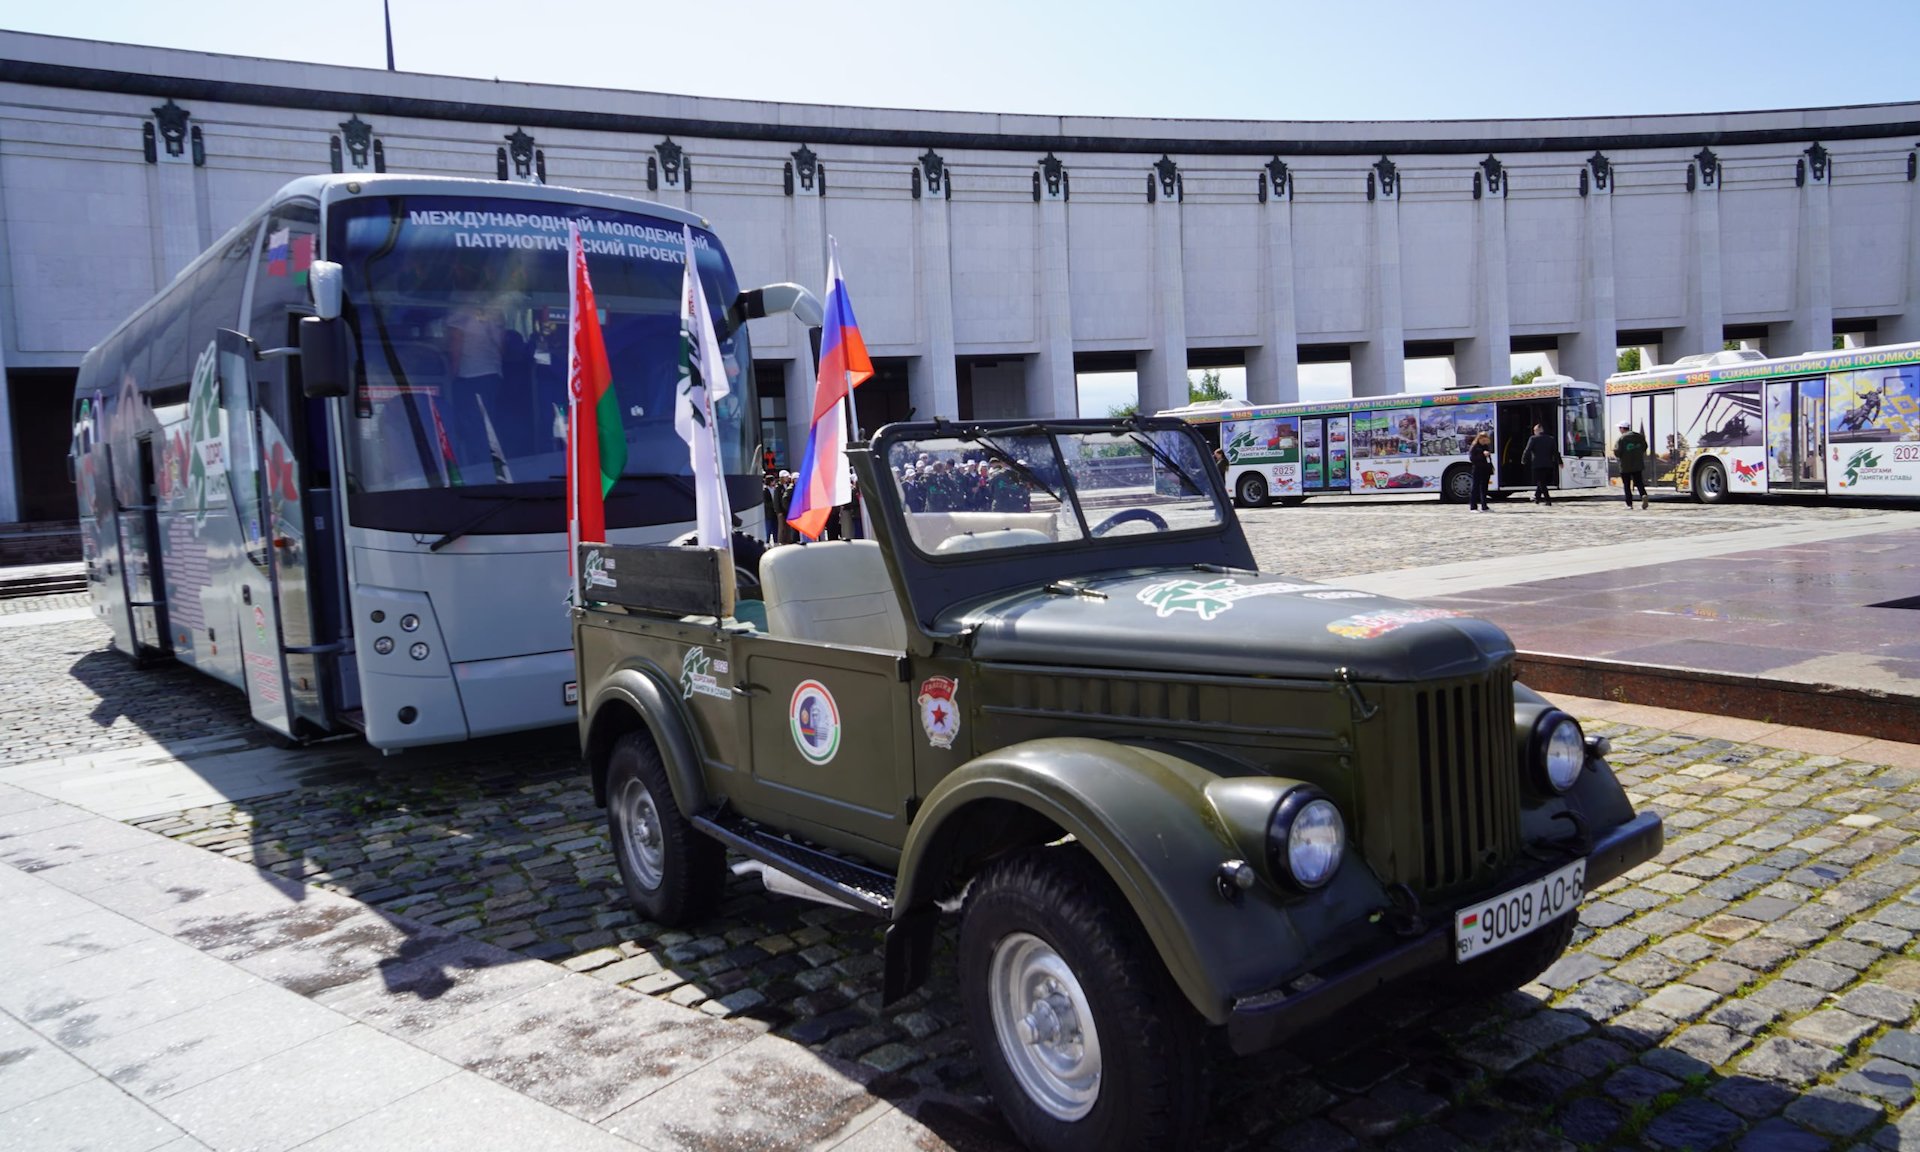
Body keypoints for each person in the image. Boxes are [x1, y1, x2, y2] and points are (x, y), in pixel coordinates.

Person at [1613, 419, 1650, 510]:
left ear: (1622, 428)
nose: (1619, 430)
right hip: (1638, 465)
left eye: (1620, 428)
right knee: (1639, 482)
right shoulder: (1639, 437)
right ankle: (1643, 495)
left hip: (1625, 466)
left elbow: (1617, 452)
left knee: (1627, 485)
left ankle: (1629, 504)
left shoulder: (1621, 439)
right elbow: (1645, 447)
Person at [1521, 423, 1560, 505]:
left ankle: (1547, 500)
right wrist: (1560, 462)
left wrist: (1523, 459)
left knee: (1541, 482)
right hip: (1548, 464)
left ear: (1538, 430)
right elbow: (1555, 452)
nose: (1534, 432)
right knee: (1542, 481)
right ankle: (1537, 498)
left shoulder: (1533, 438)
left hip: (1537, 464)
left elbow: (1527, 450)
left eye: (1534, 430)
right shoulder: (1550, 439)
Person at [1468, 432, 1495, 511]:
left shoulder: (1485, 446)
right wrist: (1482, 455)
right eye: (1483, 440)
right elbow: (1472, 458)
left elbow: (1488, 458)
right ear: (1479, 439)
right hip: (1477, 469)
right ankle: (1473, 507)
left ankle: (1484, 506)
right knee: (1475, 487)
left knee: (1484, 488)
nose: (1484, 441)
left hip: (1485, 469)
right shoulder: (1475, 447)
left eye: (1485, 440)